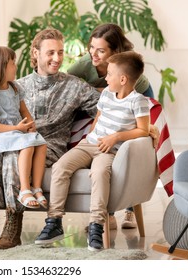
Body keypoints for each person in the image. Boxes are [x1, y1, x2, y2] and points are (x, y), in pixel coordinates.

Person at [0, 28, 100, 250]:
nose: (57, 58)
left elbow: (106, 105)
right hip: (12, 138)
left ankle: (13, 227)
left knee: (15, 156)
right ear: (36, 53)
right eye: (51, 53)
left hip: (47, 145)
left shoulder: (74, 86)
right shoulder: (17, 85)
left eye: (60, 52)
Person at [36, 51, 150, 251]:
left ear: (123, 79)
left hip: (109, 151)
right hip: (90, 144)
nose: (105, 77)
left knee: (99, 173)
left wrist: (116, 137)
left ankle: (97, 226)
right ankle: (54, 222)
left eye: (110, 74)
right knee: (60, 166)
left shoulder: (138, 101)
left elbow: (143, 130)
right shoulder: (106, 93)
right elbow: (98, 117)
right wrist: (91, 135)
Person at [67, 23, 151, 229]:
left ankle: (129, 209)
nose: (93, 54)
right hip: (101, 106)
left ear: (115, 52)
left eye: (101, 50)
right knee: (102, 154)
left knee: (131, 149)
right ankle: (108, 214)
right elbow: (67, 83)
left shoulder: (134, 79)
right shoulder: (86, 63)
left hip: (137, 103)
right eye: (91, 48)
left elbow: (136, 106)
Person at [0, 46, 48, 209]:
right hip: (0, 134)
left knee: (41, 144)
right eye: (12, 64)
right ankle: (24, 189)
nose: (15, 67)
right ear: (0, 68)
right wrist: (17, 128)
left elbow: (24, 111)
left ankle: (36, 188)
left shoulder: (15, 88)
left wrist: (30, 125)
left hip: (17, 130)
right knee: (28, 145)